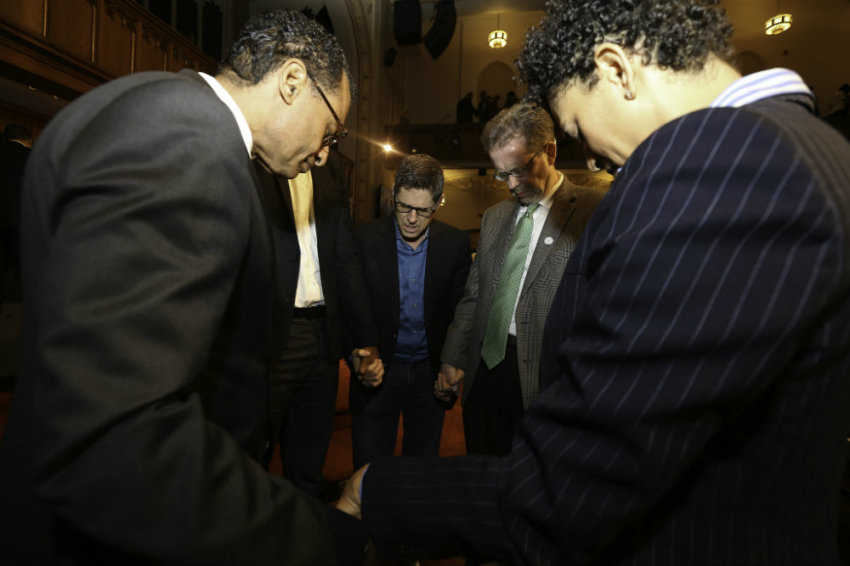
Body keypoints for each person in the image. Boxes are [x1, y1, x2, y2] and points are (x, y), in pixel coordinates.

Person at [337, 1, 850, 565]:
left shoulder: (713, 178)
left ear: (616, 70)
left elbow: (575, 484)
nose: (597, 156)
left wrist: (377, 490)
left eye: (579, 127)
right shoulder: (818, 149)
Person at [0, 10, 370, 565]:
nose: (324, 152)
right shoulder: (187, 143)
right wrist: (321, 537)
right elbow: (115, 439)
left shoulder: (149, 105)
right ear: (292, 82)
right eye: (331, 130)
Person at [437, 102, 605, 458]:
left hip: (545, 378)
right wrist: (454, 356)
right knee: (481, 476)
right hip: (484, 371)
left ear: (550, 151)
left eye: (519, 170)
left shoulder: (594, 211)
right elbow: (474, 294)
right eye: (501, 174)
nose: (511, 185)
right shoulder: (496, 217)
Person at [255, 152, 383, 500]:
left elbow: (345, 257)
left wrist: (365, 339)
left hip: (324, 336)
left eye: (334, 135)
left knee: (309, 467)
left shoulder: (330, 168)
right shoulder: (258, 158)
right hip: (274, 337)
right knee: (251, 462)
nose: (326, 148)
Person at [349, 154, 470, 470]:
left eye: (423, 210)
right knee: (370, 473)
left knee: (421, 474)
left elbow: (462, 310)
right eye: (403, 207)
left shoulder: (455, 244)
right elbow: (350, 305)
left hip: (428, 376)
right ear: (393, 196)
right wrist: (356, 354)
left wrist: (453, 360)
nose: (412, 218)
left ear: (440, 202)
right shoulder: (362, 239)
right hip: (378, 374)